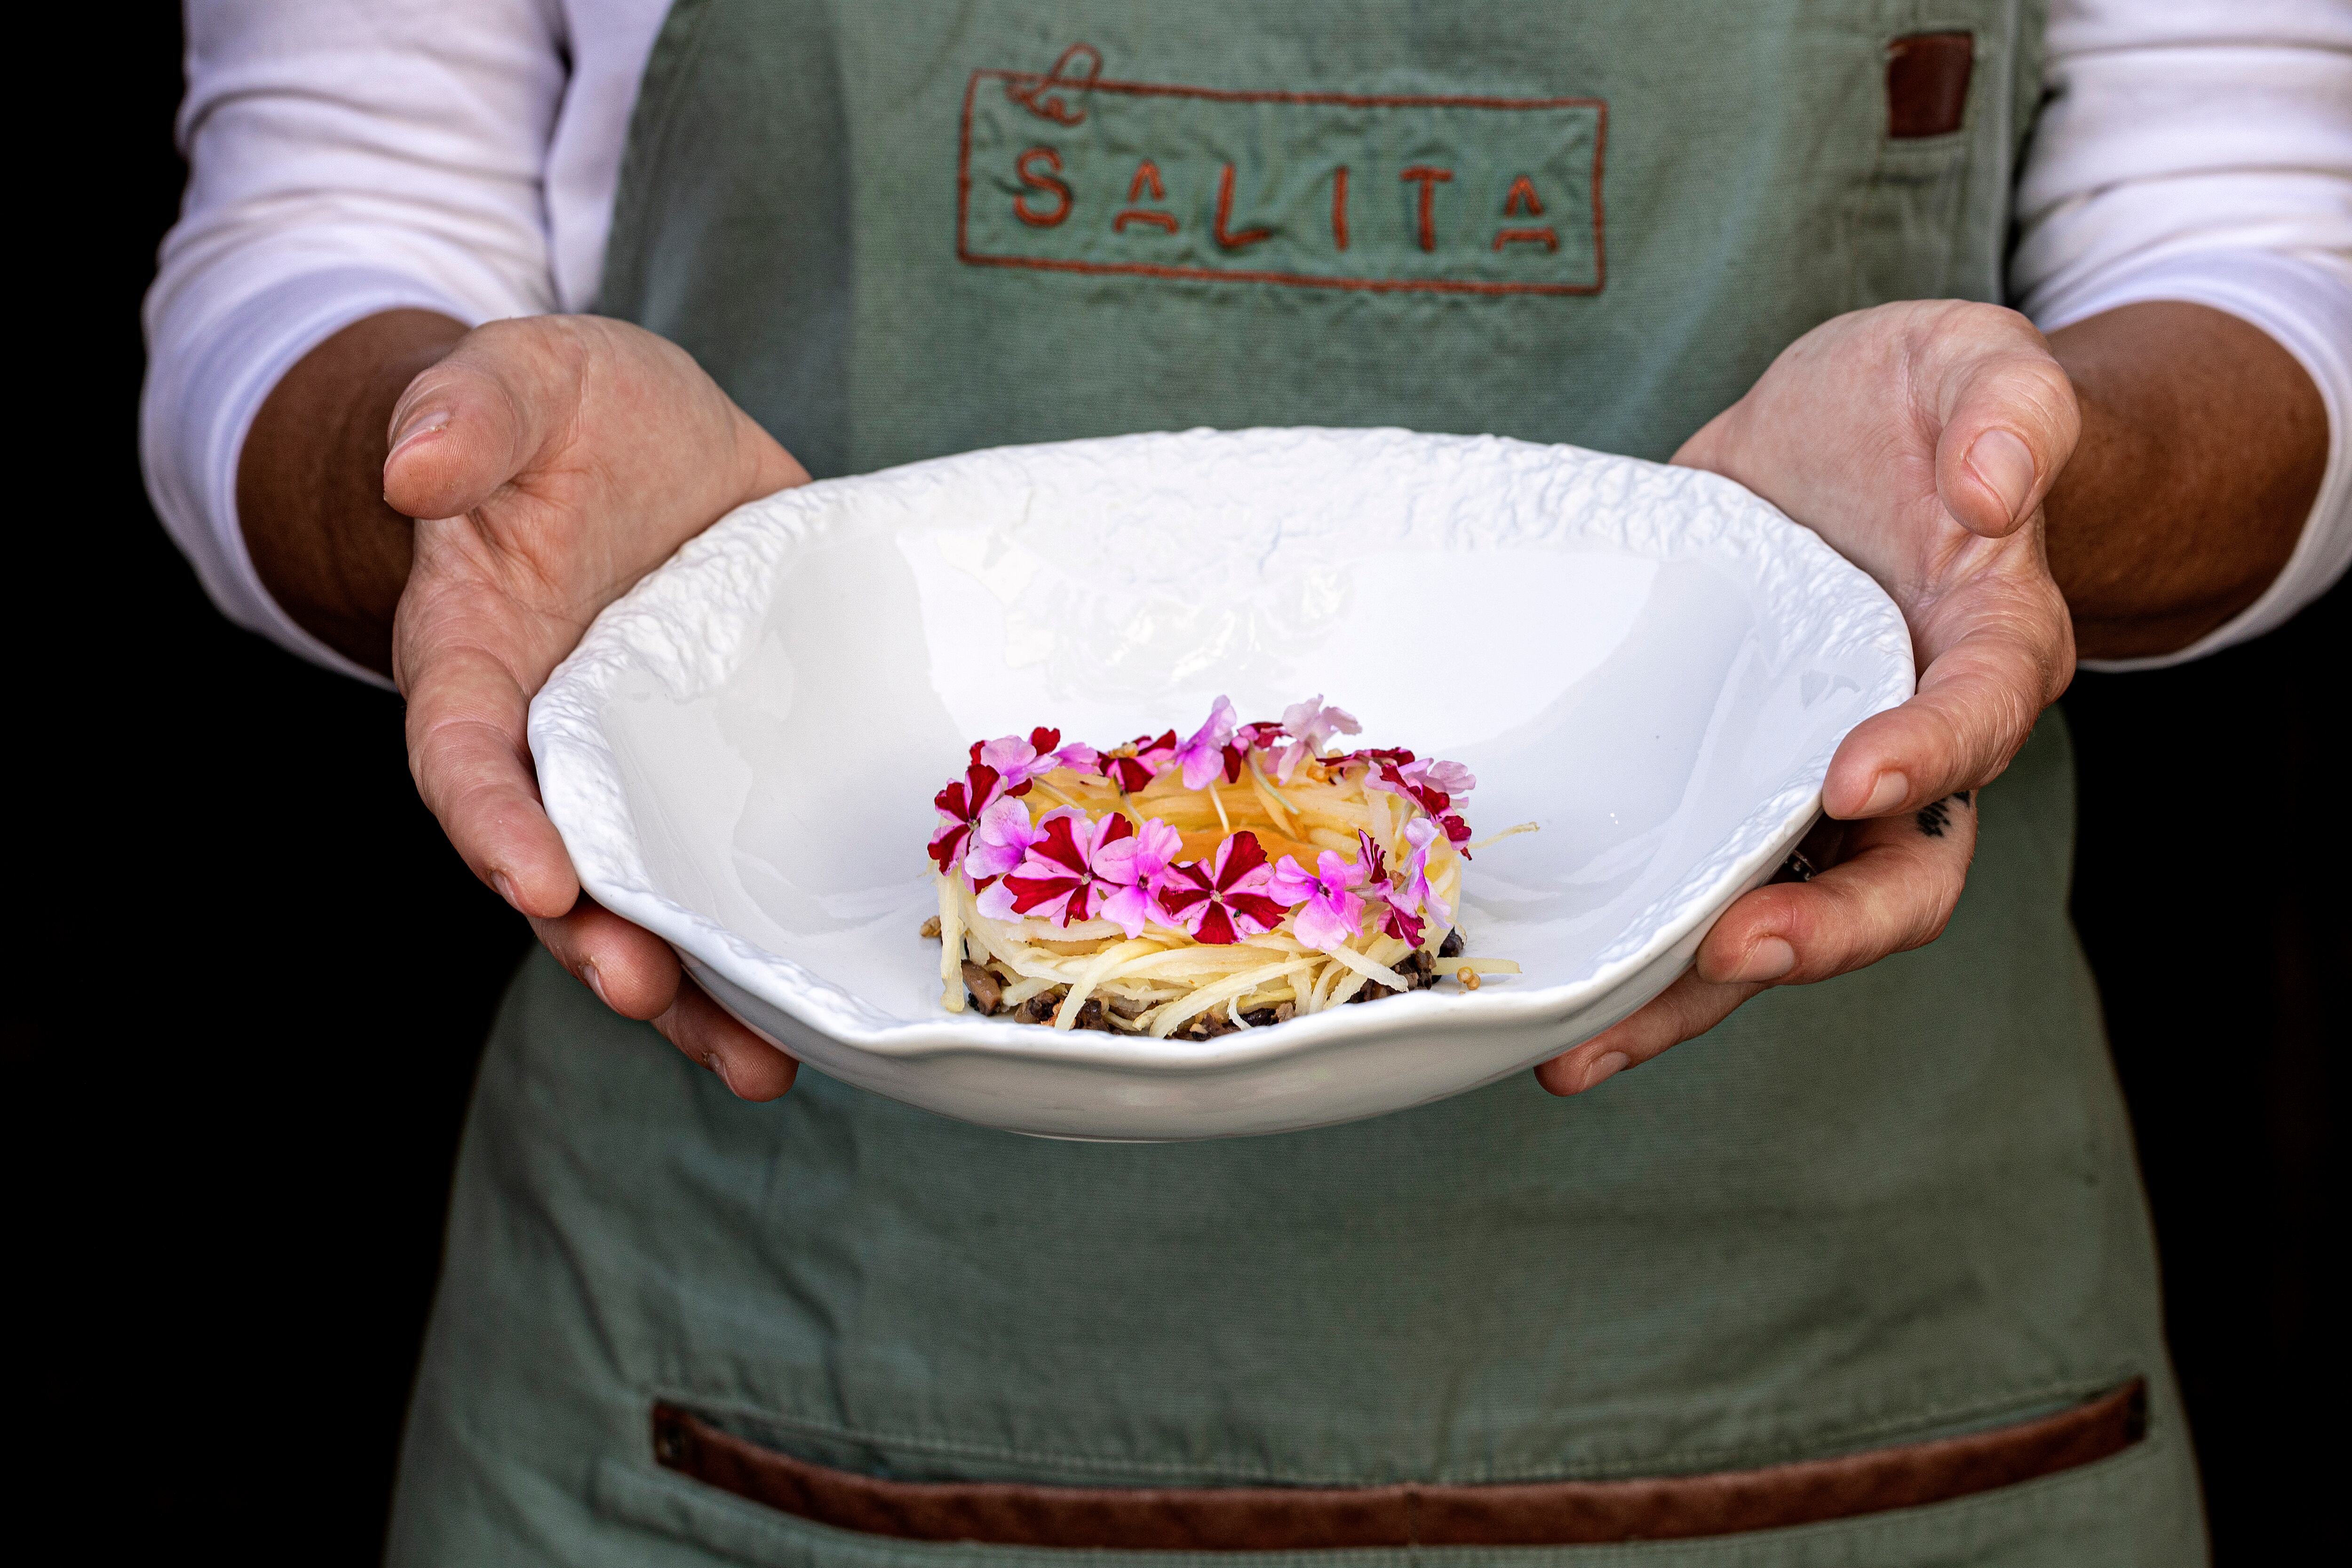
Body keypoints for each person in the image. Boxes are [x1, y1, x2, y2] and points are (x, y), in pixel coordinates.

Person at [145, 2, 2348, 1562]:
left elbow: (2261, 245)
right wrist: (443, 487)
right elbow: (326, 223)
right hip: (739, 1408)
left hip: (1856, 1409)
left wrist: (2022, 480)